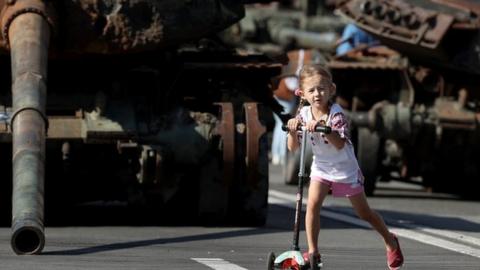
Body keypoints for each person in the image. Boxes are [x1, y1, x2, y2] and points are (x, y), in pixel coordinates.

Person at [286, 64, 404, 270]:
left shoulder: (336, 114)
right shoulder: (303, 114)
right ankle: (313, 251)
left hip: (344, 169)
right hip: (321, 167)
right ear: (302, 94)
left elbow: (339, 143)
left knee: (363, 213)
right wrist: (292, 129)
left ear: (331, 90)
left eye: (322, 89)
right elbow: (293, 147)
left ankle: (390, 239)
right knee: (312, 205)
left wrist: (324, 128)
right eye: (311, 90)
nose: (317, 94)